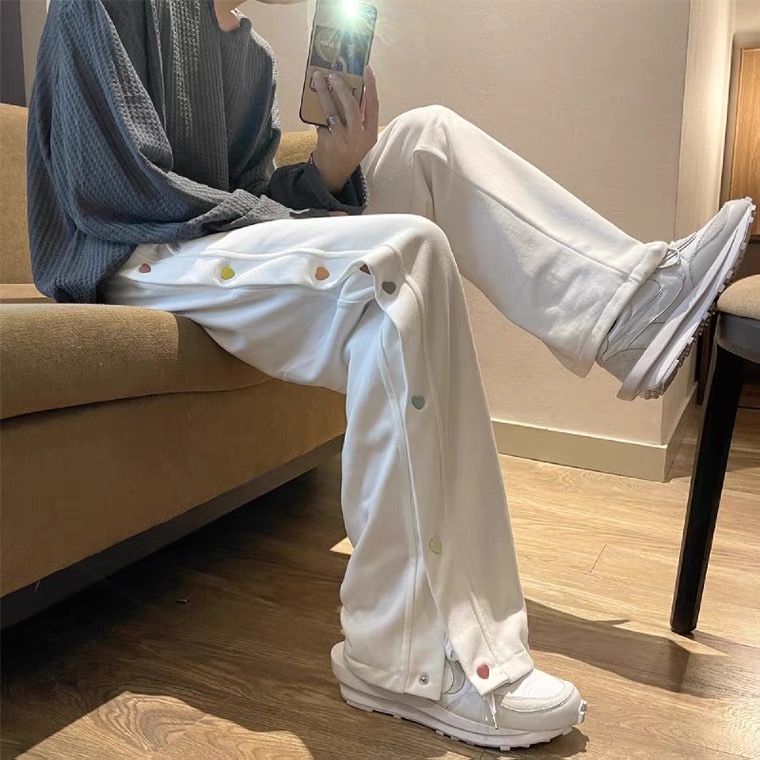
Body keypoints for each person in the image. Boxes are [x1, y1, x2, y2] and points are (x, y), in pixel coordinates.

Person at [27, 0, 754, 752]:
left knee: (427, 136)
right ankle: (403, 656)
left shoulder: (251, 55)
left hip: (203, 245)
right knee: (401, 258)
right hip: (127, 257)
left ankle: (629, 310)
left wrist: (334, 168)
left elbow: (248, 196)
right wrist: (295, 221)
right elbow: (116, 191)